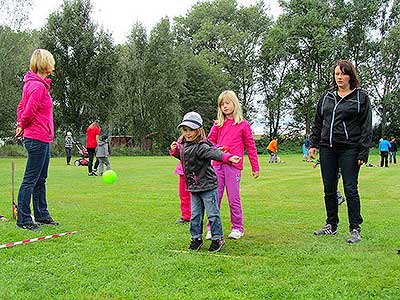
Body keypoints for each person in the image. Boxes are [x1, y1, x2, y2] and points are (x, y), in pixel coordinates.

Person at [309, 60, 372, 244]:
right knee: (329, 189)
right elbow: (318, 121)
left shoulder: (361, 98)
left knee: (350, 188)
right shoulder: (327, 97)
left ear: (350, 76)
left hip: (350, 149)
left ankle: (355, 228)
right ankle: (331, 225)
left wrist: (363, 152)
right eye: (337, 74)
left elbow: (366, 127)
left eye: (343, 74)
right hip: (327, 148)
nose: (339, 77)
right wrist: (314, 143)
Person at [170, 112, 241, 253]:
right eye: (185, 130)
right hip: (194, 187)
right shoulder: (184, 145)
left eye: (191, 130)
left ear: (199, 130)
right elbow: (184, 157)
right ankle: (196, 238)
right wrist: (175, 151)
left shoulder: (202, 146)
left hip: (208, 186)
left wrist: (228, 158)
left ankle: (217, 238)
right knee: (195, 215)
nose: (188, 133)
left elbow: (214, 153)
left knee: (213, 214)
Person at [15, 49, 59, 231]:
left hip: (42, 137)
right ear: (45, 64)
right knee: (31, 179)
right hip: (37, 137)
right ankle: (24, 219)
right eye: (51, 62)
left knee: (41, 179)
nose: (52, 66)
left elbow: (21, 107)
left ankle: (42, 214)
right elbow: (28, 110)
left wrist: (20, 123)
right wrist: (22, 124)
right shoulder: (38, 86)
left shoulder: (34, 84)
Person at [207, 90, 260, 240]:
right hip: (217, 165)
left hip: (234, 167)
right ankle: (212, 228)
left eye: (227, 103)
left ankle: (237, 228)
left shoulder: (243, 125)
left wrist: (255, 167)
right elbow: (209, 143)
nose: (224, 106)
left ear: (234, 104)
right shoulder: (217, 125)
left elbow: (250, 147)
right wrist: (218, 148)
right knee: (214, 198)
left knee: (233, 198)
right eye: (222, 104)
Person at [174, 136, 191, 224]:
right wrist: (174, 150)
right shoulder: (181, 139)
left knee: (197, 195)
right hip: (183, 171)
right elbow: (179, 155)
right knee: (183, 195)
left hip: (195, 171)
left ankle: (197, 215)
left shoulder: (200, 139)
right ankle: (186, 216)